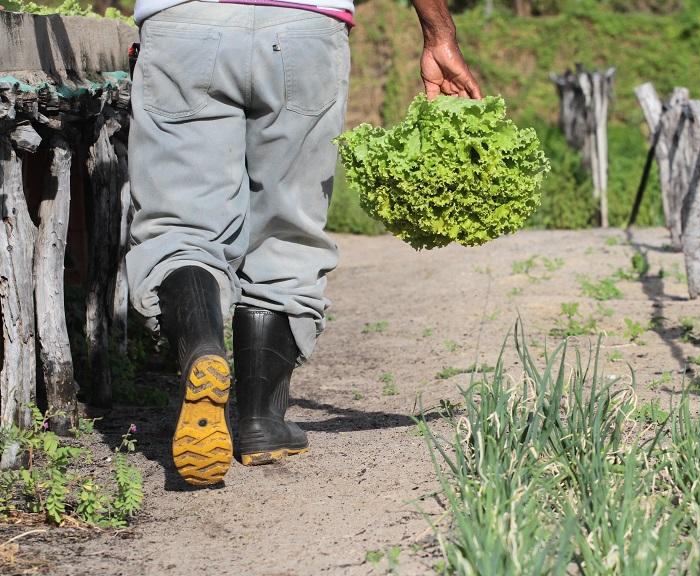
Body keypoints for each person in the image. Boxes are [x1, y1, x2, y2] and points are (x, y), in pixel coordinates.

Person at [127, 0, 481, 485]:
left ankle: (203, 348)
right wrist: (438, 34)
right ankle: (260, 422)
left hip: (184, 23)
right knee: (286, 230)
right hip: (304, 27)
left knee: (181, 227)